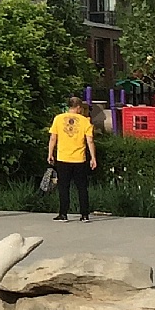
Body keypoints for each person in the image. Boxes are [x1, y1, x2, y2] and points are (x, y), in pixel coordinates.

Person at [48, 93, 97, 221]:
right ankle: (84, 214)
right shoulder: (85, 121)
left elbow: (53, 138)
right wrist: (93, 157)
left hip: (63, 157)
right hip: (79, 158)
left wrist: (50, 153)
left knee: (64, 187)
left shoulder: (58, 119)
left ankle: (63, 213)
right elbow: (90, 141)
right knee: (82, 187)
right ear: (78, 107)